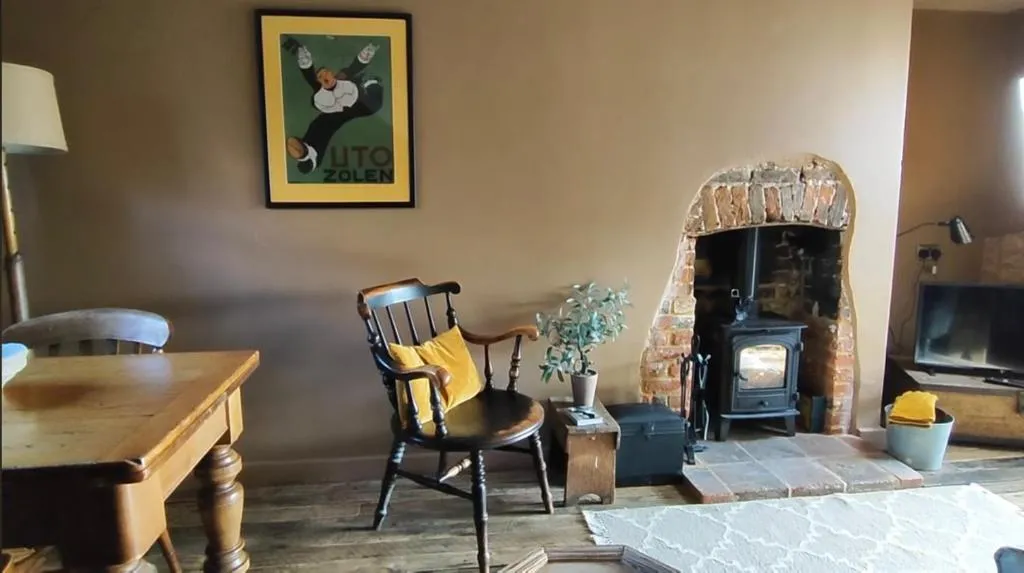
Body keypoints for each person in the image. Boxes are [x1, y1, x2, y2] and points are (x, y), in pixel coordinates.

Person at [283, 38, 385, 174]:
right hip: (337, 109)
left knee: (326, 121)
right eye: (322, 77)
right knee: (325, 122)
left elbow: (355, 67)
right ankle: (310, 155)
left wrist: (369, 53)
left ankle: (309, 154)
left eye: (326, 75)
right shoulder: (327, 91)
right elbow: (313, 78)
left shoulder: (343, 83)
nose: (326, 78)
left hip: (345, 105)